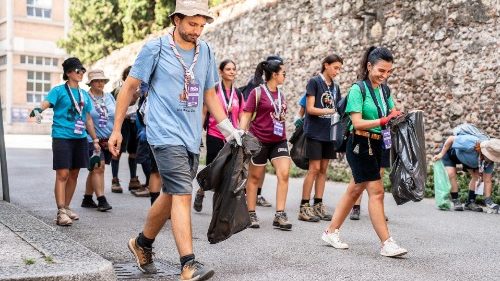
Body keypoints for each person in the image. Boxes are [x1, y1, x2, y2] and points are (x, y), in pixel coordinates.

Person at [108, 1, 242, 279]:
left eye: (202, 25)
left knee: (171, 193)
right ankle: (188, 263)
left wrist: (228, 128)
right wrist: (117, 128)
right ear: (177, 19)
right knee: (182, 192)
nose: (197, 30)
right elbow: (129, 88)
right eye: (192, 24)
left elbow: (209, 94)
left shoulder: (204, 50)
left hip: (191, 136)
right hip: (163, 133)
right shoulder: (155, 48)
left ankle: (141, 244)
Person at [321, 47, 408, 257]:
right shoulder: (357, 90)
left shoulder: (384, 90)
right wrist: (383, 120)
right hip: (359, 144)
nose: (385, 76)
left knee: (354, 190)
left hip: (378, 144)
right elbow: (357, 122)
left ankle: (330, 232)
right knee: (376, 192)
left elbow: (390, 113)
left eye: (389, 72)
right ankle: (387, 243)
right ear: (369, 66)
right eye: (381, 70)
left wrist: (397, 115)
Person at [29, 57, 99, 226]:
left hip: (80, 138)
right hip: (62, 137)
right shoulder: (59, 90)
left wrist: (95, 139)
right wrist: (36, 111)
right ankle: (60, 212)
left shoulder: (84, 94)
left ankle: (66, 207)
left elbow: (88, 118)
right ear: (68, 73)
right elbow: (45, 104)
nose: (81, 73)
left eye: (82, 70)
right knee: (63, 174)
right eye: (77, 70)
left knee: (74, 173)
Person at [239, 59, 292, 230]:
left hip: (279, 140)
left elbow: (278, 114)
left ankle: (280, 214)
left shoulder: (281, 94)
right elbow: (246, 115)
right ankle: (251, 213)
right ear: (274, 75)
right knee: (254, 178)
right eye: (283, 72)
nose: (285, 75)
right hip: (259, 140)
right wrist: (240, 135)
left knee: (283, 173)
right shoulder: (257, 92)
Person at [193, 59, 245, 212]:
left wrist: (242, 132)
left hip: (231, 137)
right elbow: (204, 111)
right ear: (221, 72)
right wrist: (198, 133)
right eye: (228, 69)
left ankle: (220, 207)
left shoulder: (238, 94)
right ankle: (201, 191)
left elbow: (242, 115)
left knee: (228, 170)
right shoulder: (214, 90)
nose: (232, 72)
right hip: (215, 134)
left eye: (234, 69)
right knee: (213, 168)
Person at [299, 54, 343, 222]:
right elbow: (310, 108)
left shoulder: (336, 87)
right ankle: (304, 206)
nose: (337, 71)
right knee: (314, 168)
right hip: (315, 132)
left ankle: (318, 204)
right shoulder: (314, 82)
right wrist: (329, 111)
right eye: (335, 67)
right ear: (326, 65)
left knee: (324, 170)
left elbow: (337, 108)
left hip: (329, 133)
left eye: (339, 68)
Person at [433, 136, 500, 213]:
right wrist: (441, 154)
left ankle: (470, 202)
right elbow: (451, 138)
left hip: (467, 159)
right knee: (451, 174)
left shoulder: (489, 162)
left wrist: (488, 201)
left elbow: (487, 181)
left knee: (478, 177)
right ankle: (455, 200)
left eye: (493, 158)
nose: (492, 160)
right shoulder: (470, 143)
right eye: (491, 157)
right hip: (450, 153)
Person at [81, 69, 114, 211]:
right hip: (91, 138)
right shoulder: (85, 98)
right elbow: (86, 119)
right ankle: (102, 200)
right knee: (98, 167)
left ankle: (87, 199)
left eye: (102, 80)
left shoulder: (109, 97)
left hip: (107, 139)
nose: (100, 83)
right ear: (91, 83)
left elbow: (116, 113)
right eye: (96, 80)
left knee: (95, 170)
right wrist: (94, 138)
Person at [110, 66, 143, 193]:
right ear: (125, 76)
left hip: (135, 122)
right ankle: (115, 179)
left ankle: (133, 179)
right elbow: (126, 103)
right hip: (124, 122)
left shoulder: (141, 89)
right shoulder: (121, 89)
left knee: (133, 152)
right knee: (117, 151)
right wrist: (135, 95)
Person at [133, 82, 162, 203]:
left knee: (164, 173)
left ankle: (165, 208)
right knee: (155, 170)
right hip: (153, 132)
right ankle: (155, 206)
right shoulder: (147, 90)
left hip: (169, 133)